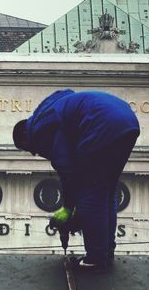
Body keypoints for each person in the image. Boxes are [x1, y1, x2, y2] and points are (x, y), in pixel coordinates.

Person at [13, 89, 140, 270]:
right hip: (127, 121)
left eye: (27, 149)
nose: (33, 153)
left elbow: (68, 171)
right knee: (106, 190)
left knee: (90, 194)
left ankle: (96, 259)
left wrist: (68, 208)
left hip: (102, 124)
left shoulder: (43, 129)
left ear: (25, 136)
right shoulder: (51, 112)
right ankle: (106, 251)